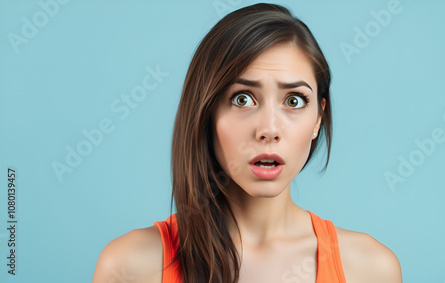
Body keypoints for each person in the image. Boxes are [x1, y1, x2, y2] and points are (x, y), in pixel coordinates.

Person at [93, 3, 402, 283]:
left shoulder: (370, 270)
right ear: (206, 113)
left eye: (294, 100)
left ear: (318, 119)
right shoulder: (129, 267)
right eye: (243, 99)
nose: (268, 129)